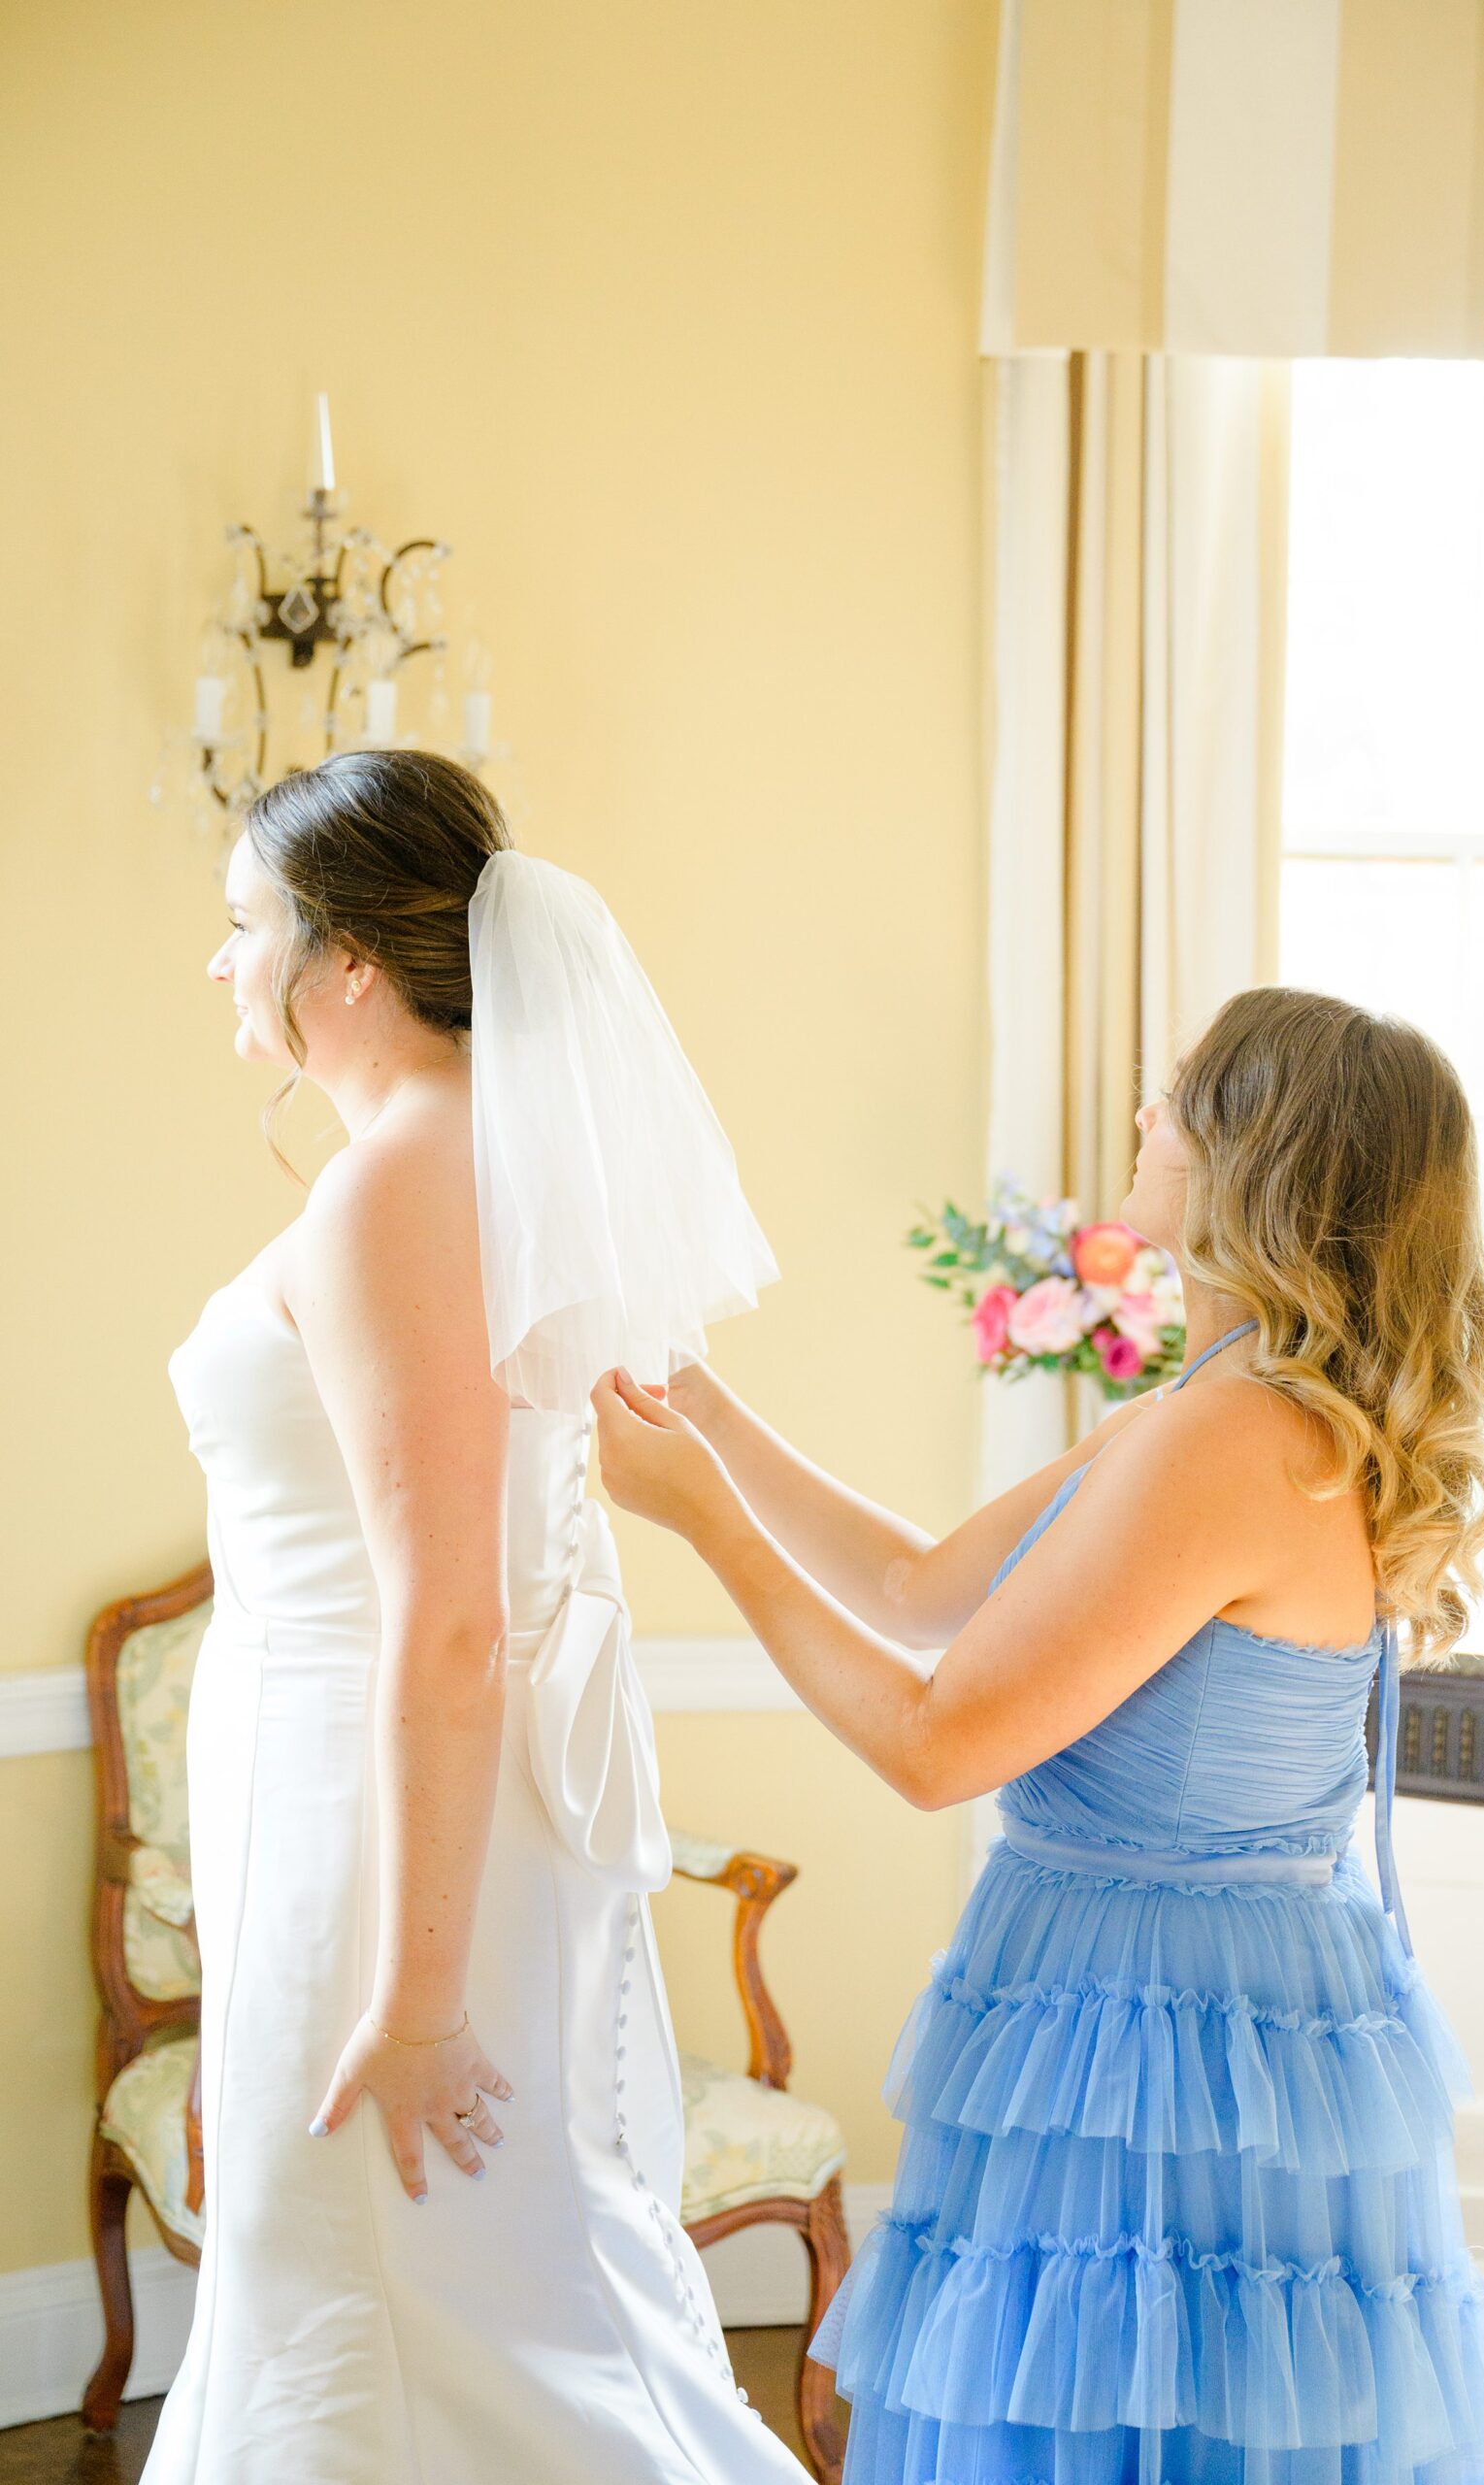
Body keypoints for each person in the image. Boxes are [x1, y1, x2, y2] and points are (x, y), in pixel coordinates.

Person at [592, 985, 1484, 2485]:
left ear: (1256, 1160)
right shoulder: (1219, 1403)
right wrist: (697, 1403)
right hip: (1158, 1990)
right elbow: (914, 1589)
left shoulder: (1230, 1439)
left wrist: (696, 1517)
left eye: (1177, 1095)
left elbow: (930, 1741)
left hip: (1159, 2014)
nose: (1147, 1116)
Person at [151, 749, 810, 2482]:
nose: (220, 964)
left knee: (402, 2279)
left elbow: (446, 1622)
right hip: (366, 1800)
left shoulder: (398, 1181)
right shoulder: (468, 1161)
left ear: (345, 964)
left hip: (376, 1832)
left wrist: (420, 2000)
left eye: (243, 928)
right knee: (435, 2280)